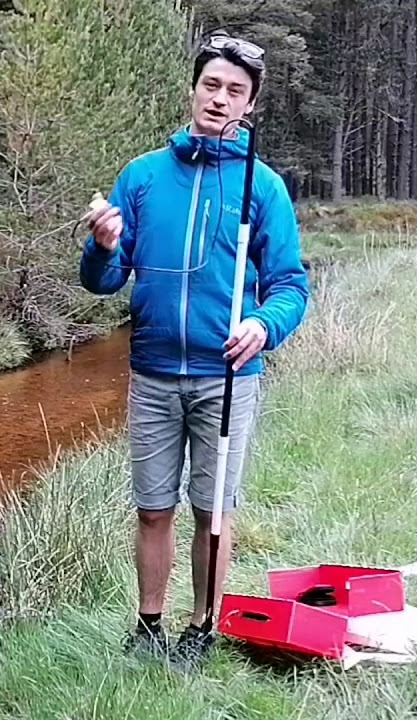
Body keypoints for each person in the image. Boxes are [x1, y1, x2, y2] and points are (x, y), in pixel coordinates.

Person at [78, 32, 309, 671]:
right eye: (211, 85)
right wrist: (102, 245)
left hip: (227, 377)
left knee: (213, 513)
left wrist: (264, 324)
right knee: (153, 509)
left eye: (235, 90)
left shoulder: (263, 186)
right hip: (153, 373)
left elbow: (291, 284)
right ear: (193, 90)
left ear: (249, 105)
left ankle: (202, 626)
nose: (220, 98)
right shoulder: (143, 176)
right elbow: (103, 280)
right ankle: (148, 624)